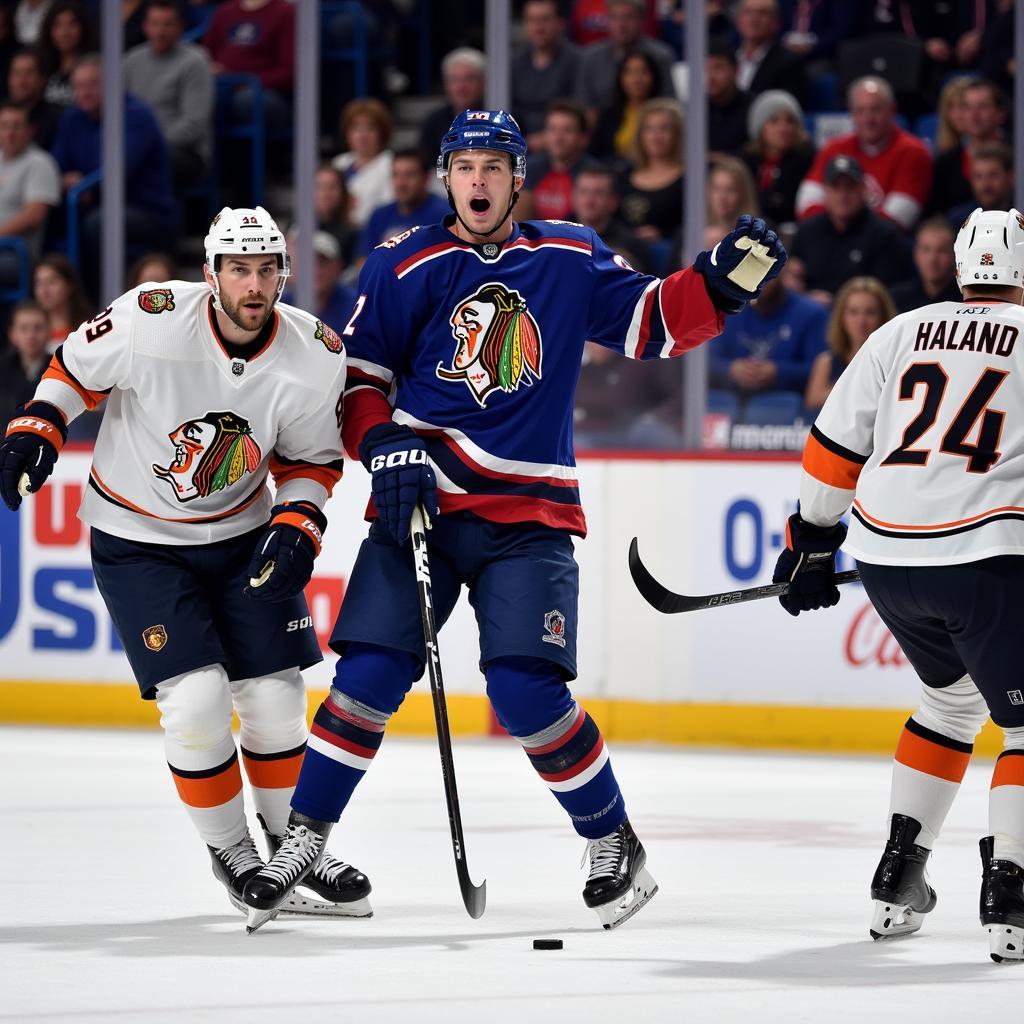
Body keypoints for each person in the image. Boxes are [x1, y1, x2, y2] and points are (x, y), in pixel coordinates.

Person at [240, 108, 787, 932]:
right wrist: (384, 442)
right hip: (420, 502)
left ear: (520, 177)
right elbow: (358, 384)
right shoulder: (401, 262)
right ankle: (306, 839)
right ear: (444, 176)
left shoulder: (567, 254)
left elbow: (649, 323)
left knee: (526, 690)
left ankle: (614, 843)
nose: (480, 181)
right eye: (465, 167)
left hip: (529, 511)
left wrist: (715, 287)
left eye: (496, 167)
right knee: (369, 678)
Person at [0, 205, 371, 918]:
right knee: (197, 703)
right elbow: (72, 368)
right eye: (239, 269)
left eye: (267, 269)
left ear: (284, 275)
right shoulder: (151, 314)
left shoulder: (313, 352)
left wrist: (299, 523)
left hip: (241, 537)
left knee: (276, 701)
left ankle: (296, 849)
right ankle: (232, 851)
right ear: (211, 273)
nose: (253, 284)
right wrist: (40, 422)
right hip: (138, 539)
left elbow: (311, 458)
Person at [771, 207, 1024, 964]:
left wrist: (812, 542)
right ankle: (1011, 889)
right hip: (987, 556)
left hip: (889, 559)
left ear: (957, 269)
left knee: (950, 702)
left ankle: (897, 878)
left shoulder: (899, 330)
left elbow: (832, 449)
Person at [51, 55, 177, 302]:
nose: (84, 92)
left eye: (91, 84)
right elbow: (57, 164)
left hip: (148, 211)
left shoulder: (136, 115)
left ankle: (105, 303)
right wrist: (67, 180)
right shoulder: (72, 118)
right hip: (94, 204)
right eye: (78, 86)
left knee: (98, 223)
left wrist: (85, 184)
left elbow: (120, 168)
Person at [796, 77, 933, 232]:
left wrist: (842, 227)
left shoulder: (913, 152)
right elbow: (806, 206)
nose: (868, 119)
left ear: (892, 110)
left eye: (875, 109)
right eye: (860, 111)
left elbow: (897, 220)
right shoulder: (834, 148)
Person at [788, 154, 911, 302]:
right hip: (812, 317)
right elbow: (792, 281)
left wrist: (834, 302)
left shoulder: (885, 235)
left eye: (850, 187)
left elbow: (885, 296)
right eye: (836, 187)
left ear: (863, 190)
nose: (843, 195)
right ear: (825, 191)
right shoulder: (807, 232)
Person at [123, 0, 214, 190]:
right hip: (137, 147)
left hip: (184, 152)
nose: (160, 32)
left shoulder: (195, 61)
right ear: (145, 26)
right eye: (155, 24)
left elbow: (194, 124)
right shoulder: (132, 60)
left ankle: (155, 217)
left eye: (168, 24)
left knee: (141, 164)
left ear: (180, 27)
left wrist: (148, 145)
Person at [709, 273, 827, 413]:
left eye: (766, 271)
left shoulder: (812, 314)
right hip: (732, 409)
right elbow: (704, 362)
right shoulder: (727, 310)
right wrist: (731, 369)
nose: (760, 278)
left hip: (789, 417)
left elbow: (821, 369)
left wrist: (779, 372)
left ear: (782, 269)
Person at [203, 0, 294, 136]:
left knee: (246, 100)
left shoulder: (286, 12)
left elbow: (289, 72)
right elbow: (205, 56)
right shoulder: (224, 11)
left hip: (267, 93)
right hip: (223, 86)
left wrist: (244, 82)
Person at [803, 275, 895, 410]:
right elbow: (813, 401)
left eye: (870, 313)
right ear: (842, 318)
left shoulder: (894, 361)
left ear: (884, 316)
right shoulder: (826, 362)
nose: (861, 321)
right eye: (853, 312)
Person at [574, 0, 675, 117]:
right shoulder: (589, 58)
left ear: (641, 20)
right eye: (615, 17)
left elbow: (669, 107)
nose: (622, 25)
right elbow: (583, 107)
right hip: (601, 130)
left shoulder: (660, 56)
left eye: (629, 17)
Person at [930, 79, 1008, 219]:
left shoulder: (1018, 155)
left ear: (1000, 113)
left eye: (982, 107)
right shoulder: (946, 162)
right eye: (967, 107)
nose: (974, 115)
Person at [0, 100, 60, 272]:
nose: (10, 133)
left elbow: (34, 215)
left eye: (16, 126)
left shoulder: (40, 163)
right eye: (4, 126)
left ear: (30, 130)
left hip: (15, 254)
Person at [357, 148, 450, 260]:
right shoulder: (379, 215)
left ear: (426, 178)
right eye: (396, 175)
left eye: (410, 175)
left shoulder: (445, 215)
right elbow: (363, 261)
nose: (401, 183)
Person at [511, 0, 580, 146]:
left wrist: (547, 139)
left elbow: (580, 113)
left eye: (545, 20)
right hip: (519, 145)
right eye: (532, 20)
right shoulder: (514, 64)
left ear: (561, 23)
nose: (538, 27)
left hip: (564, 145)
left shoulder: (577, 61)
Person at [742, 89, 813, 230]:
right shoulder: (746, 162)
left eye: (790, 121)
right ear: (760, 127)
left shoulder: (806, 161)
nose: (783, 128)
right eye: (774, 121)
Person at [616, 98, 685, 243]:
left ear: (677, 134)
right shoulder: (623, 174)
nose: (655, 136)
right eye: (649, 129)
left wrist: (663, 234)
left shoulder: (688, 180)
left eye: (664, 129)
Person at [519, 100, 595, 221]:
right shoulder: (528, 167)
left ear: (583, 138)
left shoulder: (594, 175)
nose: (558, 138)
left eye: (567, 130)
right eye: (552, 129)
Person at [570, 162, 653, 273]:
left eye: (598, 193)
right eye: (583, 192)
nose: (589, 201)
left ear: (613, 202)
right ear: (573, 197)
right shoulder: (559, 236)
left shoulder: (631, 246)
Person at [588, 49, 664, 163]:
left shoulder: (665, 113)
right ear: (621, 78)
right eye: (630, 72)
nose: (636, 79)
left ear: (654, 76)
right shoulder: (609, 115)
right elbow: (597, 153)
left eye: (643, 71)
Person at [332, 98, 394, 230]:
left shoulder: (391, 165)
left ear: (382, 133)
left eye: (370, 128)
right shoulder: (339, 163)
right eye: (356, 128)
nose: (362, 135)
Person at [282, 229, 357, 331]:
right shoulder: (282, 303)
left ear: (338, 267)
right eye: (308, 263)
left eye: (323, 263)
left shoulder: (355, 307)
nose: (316, 270)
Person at [735, 0, 806, 104]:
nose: (754, 19)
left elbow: (784, 109)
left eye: (762, 13)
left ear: (776, 23)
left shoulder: (789, 63)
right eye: (748, 12)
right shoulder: (727, 58)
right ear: (738, 21)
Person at [418, 47, 486, 156]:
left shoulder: (502, 119)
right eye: (455, 80)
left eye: (469, 79)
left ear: (483, 83)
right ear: (446, 84)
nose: (461, 87)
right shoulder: (433, 123)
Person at [889, 218, 960, 314]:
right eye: (926, 250)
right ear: (915, 254)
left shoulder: (966, 301)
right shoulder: (895, 299)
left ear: (955, 255)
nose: (933, 259)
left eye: (942, 251)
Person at [36, 0, 95, 109]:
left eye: (72, 24)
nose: (65, 32)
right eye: (58, 25)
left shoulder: (94, 67)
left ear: (83, 28)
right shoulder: (42, 66)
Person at [947, 143, 1015, 229]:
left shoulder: (1020, 218)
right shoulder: (959, 221)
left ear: (1010, 176)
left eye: (993, 175)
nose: (985, 184)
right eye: (978, 176)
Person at [32, 252, 91, 351]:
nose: (44, 291)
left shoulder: (88, 327)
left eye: (51, 282)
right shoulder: (32, 333)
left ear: (69, 285)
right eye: (39, 283)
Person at [0, 299, 49, 415]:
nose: (31, 335)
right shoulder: (2, 368)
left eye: (37, 328)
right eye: (24, 328)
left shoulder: (62, 368)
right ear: (12, 334)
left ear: (49, 331)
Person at [7, 47, 62, 150]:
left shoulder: (57, 119)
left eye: (29, 73)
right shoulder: (2, 114)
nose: (21, 81)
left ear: (43, 79)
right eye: (16, 73)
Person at [706, 37, 750, 158]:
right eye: (705, 68)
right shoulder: (692, 110)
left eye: (718, 67)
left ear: (736, 70)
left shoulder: (754, 108)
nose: (711, 76)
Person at [314, 163, 358, 268]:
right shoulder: (296, 229)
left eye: (332, 187)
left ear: (343, 192)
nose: (326, 193)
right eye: (319, 187)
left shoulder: (354, 234)